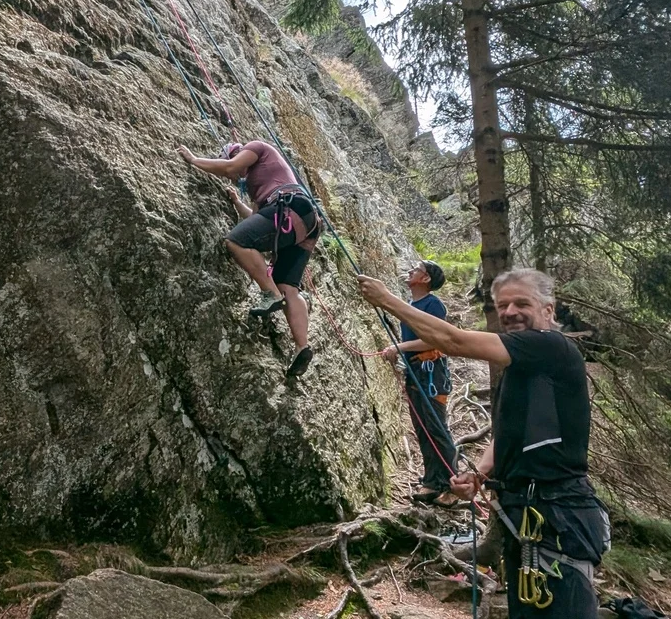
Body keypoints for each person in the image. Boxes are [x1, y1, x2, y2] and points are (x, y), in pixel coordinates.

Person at [357, 268, 610, 619]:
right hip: (525, 513)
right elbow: (509, 429)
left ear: (548, 311)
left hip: (558, 516)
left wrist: (386, 300)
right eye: (502, 306)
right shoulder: (521, 367)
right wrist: (481, 472)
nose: (510, 312)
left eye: (522, 303)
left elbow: (453, 341)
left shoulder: (553, 347)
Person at [177, 141, 321, 377]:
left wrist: (194, 160)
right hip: (305, 221)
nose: (234, 179)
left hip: (288, 207)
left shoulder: (257, 148)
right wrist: (237, 203)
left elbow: (229, 167)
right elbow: (257, 220)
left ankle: (269, 294)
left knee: (236, 241)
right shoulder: (260, 186)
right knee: (288, 287)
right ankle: (301, 347)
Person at [381, 260, 459, 507]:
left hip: (431, 375)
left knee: (437, 428)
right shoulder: (412, 305)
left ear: (426, 279)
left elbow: (433, 340)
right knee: (423, 429)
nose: (410, 271)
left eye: (416, 269)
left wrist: (399, 347)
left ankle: (453, 486)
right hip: (416, 371)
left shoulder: (433, 305)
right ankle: (432, 482)